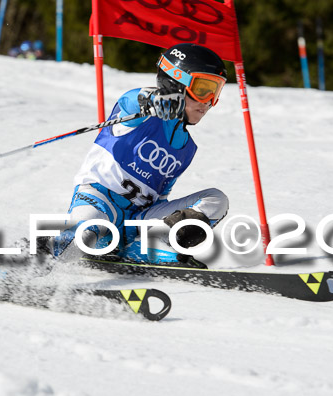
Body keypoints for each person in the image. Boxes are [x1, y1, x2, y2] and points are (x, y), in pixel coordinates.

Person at [46, 43, 229, 267]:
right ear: (176, 82)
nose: (208, 101)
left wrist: (165, 225)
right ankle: (31, 261)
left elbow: (161, 198)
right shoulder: (140, 115)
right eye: (203, 89)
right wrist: (151, 98)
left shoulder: (187, 149)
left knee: (216, 200)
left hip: (138, 220)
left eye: (215, 92)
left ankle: (142, 248)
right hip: (100, 202)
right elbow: (129, 100)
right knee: (83, 235)